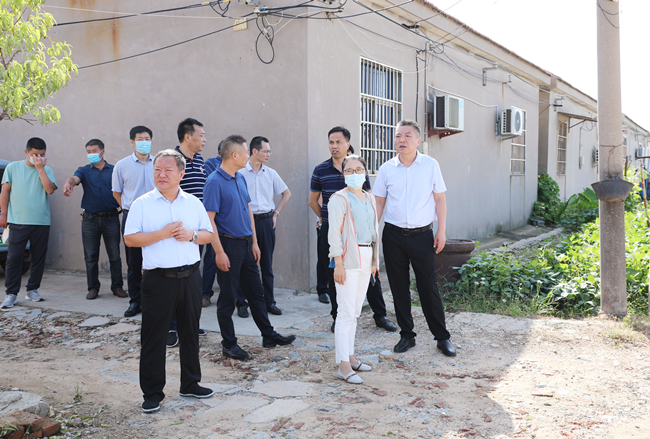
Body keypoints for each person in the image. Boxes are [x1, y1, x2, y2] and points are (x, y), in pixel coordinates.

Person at [124, 149, 215, 413]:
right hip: (158, 280)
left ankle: (190, 383)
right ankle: (152, 392)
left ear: (181, 174)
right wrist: (162, 233)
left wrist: (191, 235)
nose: (161, 174)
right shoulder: (142, 204)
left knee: (190, 333)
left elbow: (208, 234)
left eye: (167, 170)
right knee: (154, 337)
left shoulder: (193, 203)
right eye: (157, 170)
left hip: (190, 277)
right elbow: (130, 239)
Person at [203, 135, 295, 361]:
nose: (248, 156)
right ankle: (229, 344)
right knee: (228, 297)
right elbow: (209, 221)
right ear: (234, 155)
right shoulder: (214, 182)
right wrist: (219, 252)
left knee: (256, 292)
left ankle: (268, 335)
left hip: (246, 244)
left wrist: (254, 242)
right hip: (228, 245)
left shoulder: (240, 178)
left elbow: (248, 211)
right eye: (245, 152)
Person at [373, 120, 456, 357]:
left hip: (422, 236)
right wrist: (372, 232)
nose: (402, 140)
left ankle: (442, 337)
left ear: (418, 141)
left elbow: (439, 199)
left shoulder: (430, 165)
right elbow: (379, 203)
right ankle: (407, 335)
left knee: (427, 286)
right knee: (398, 287)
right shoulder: (386, 169)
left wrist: (441, 230)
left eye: (407, 135)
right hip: (393, 235)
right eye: (398, 135)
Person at [309, 126, 396, 333]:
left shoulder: (357, 169)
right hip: (332, 230)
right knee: (334, 273)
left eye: (338, 142)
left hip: (359, 231)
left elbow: (368, 199)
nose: (334, 146)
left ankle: (380, 315)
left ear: (348, 143)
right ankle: (337, 316)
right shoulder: (321, 170)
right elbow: (313, 201)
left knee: (370, 272)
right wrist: (326, 219)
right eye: (331, 142)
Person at [328, 155, 379, 384]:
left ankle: (350, 356)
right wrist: (338, 264)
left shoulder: (370, 198)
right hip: (348, 259)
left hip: (366, 257)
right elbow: (334, 235)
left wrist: (374, 262)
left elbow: (374, 231)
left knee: (355, 312)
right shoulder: (339, 199)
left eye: (358, 169)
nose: (354, 174)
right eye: (349, 170)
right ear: (343, 174)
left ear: (365, 172)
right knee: (345, 313)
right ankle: (343, 366)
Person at [63, 139, 127, 300]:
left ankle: (117, 286)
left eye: (94, 151)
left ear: (102, 151)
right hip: (90, 219)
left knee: (115, 255)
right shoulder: (84, 171)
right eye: (89, 151)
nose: (91, 154)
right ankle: (93, 288)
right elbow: (74, 179)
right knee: (91, 256)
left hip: (111, 217)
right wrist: (68, 183)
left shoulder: (114, 170)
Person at [237, 136, 291, 316]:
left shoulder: (271, 173)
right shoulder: (240, 173)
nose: (269, 154)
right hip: (246, 222)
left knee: (267, 264)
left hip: (266, 222)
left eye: (269, 151)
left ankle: (269, 302)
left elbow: (286, 194)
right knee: (244, 263)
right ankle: (242, 303)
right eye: (265, 151)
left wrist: (276, 213)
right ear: (254, 151)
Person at [0, 138, 57, 309]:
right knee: (14, 258)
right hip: (17, 221)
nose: (38, 157)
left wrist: (40, 169)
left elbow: (50, 190)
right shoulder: (13, 167)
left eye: (42, 154)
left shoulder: (47, 170)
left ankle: (32, 289)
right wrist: (4, 214)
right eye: (35, 154)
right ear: (26, 152)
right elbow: (5, 191)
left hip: (41, 221)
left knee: (38, 257)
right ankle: (11, 294)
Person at [167, 118, 208, 348]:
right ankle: (171, 326)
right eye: (201, 135)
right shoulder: (171, 161)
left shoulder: (200, 160)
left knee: (192, 277)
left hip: (196, 232)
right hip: (177, 230)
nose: (204, 140)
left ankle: (187, 323)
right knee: (176, 278)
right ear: (188, 137)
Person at [112, 126, 155, 318]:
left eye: (147, 138)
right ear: (132, 142)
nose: (144, 142)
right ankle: (135, 301)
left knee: (156, 260)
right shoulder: (122, 165)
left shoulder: (159, 163)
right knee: (134, 262)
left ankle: (154, 299)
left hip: (155, 217)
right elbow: (117, 192)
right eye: (140, 139)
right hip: (132, 217)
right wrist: (129, 210)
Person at [201, 139, 224, 308]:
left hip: (230, 220)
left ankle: (230, 294)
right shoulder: (209, 165)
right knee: (211, 258)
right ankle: (205, 293)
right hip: (212, 218)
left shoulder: (239, 169)